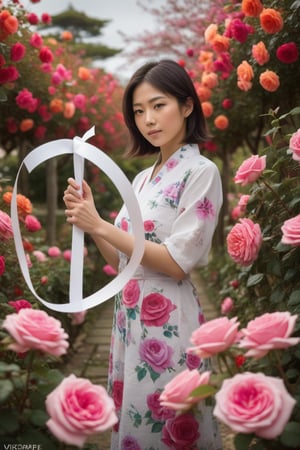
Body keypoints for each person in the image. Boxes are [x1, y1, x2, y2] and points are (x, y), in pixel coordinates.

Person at [64, 59, 223, 449]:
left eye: (158, 105)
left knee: (171, 424)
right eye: (138, 111)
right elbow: (121, 262)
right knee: (136, 421)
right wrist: (93, 220)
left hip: (169, 316)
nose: (148, 119)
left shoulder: (202, 172)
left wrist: (100, 226)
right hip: (129, 316)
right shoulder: (141, 178)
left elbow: (175, 262)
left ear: (187, 106)